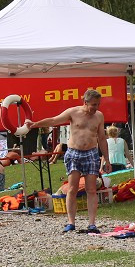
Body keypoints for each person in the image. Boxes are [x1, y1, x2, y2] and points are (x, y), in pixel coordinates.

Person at [25, 89, 111, 233]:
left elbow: (102, 138)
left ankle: (92, 224)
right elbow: (54, 120)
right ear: (85, 102)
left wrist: (107, 159)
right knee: (72, 188)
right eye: (93, 105)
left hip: (91, 153)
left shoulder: (99, 116)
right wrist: (34, 124)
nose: (96, 108)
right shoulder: (73, 112)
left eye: (98, 105)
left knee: (91, 189)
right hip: (74, 153)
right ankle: (71, 222)